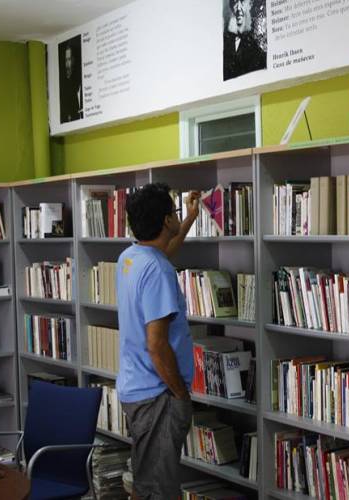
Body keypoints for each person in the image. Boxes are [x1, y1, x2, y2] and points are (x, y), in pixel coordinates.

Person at [117, 184, 201, 499]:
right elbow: (157, 345)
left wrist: (189, 219)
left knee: (146, 483)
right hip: (158, 396)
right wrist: (180, 393)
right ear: (166, 220)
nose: (178, 216)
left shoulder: (131, 257)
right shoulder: (158, 270)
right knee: (159, 490)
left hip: (136, 388)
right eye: (175, 212)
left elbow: (162, 252)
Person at [223, 0, 266, 80]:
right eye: (235, 2)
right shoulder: (226, 42)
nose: (238, 8)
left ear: (250, 4)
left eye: (242, 1)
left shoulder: (258, 43)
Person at [59, 41, 83, 122]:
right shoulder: (64, 87)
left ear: (74, 60)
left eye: (69, 59)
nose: (67, 65)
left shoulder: (80, 82)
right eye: (65, 60)